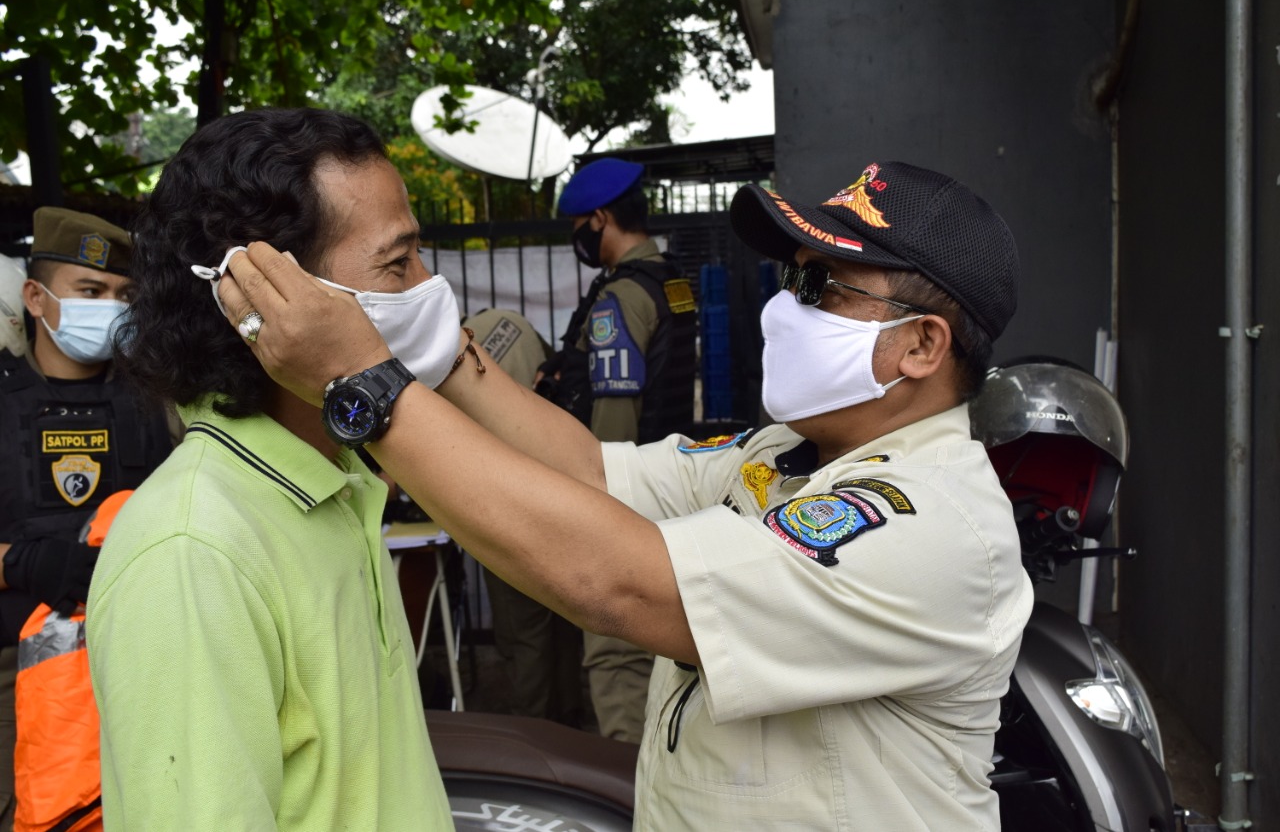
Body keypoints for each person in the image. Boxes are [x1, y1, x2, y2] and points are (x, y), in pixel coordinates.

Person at [220, 158, 1036, 829]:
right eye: (792, 278)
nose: (788, 304)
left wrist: (364, 383)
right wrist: (441, 349)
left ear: (923, 345)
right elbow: (588, 471)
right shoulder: (784, 457)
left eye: (823, 287)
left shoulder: (932, 520)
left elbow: (624, 581)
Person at [84, 109, 454, 831]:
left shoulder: (341, 481)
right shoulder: (193, 552)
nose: (425, 283)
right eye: (396, 262)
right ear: (265, 299)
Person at [0, 207, 173, 831]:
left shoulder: (157, 404)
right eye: (91, 291)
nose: (111, 306)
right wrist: (20, 561)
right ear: (35, 298)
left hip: (138, 662)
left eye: (124, 295)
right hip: (17, 677)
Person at [539, 157, 698, 743]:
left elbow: (614, 413)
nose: (577, 238)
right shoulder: (671, 280)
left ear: (600, 219)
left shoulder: (620, 299)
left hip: (627, 499)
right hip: (672, 481)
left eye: (579, 225)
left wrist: (594, 507)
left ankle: (624, 790)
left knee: (616, 659)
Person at [463, 309, 586, 728]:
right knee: (568, 615)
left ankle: (533, 726)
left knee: (524, 627)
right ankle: (570, 716)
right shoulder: (514, 322)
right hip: (559, 486)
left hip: (507, 501)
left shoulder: (451, 351)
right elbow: (552, 370)